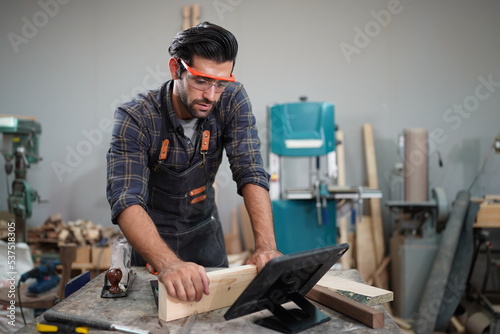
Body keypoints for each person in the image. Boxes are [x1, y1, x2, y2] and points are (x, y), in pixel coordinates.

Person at [106, 22, 282, 303]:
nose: (211, 95)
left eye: (221, 83)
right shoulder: (136, 117)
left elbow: (250, 170)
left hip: (204, 233)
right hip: (152, 242)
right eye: (201, 80)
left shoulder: (232, 100)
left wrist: (266, 247)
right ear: (176, 68)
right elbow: (125, 199)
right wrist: (168, 263)